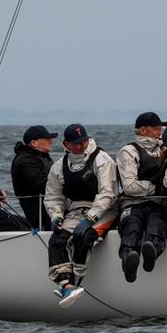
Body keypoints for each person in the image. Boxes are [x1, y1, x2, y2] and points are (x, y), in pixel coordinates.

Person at [43, 124, 118, 307]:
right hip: (76, 210)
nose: (81, 145)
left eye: (84, 140)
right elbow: (53, 197)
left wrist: (90, 219)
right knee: (57, 240)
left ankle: (76, 281)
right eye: (76, 143)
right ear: (66, 144)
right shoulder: (59, 166)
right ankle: (66, 284)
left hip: (104, 210)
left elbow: (108, 194)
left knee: (85, 237)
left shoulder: (102, 159)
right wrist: (56, 216)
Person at [116, 111, 167, 283]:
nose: (160, 131)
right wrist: (156, 188)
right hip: (132, 203)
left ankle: (152, 250)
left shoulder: (166, 150)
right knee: (132, 224)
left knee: (157, 222)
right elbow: (129, 186)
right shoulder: (128, 152)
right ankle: (129, 257)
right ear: (143, 131)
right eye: (156, 128)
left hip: (159, 203)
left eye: (160, 128)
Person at [11, 125, 58, 230]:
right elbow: (40, 185)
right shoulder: (25, 160)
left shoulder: (42, 157)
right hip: (41, 213)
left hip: (52, 207)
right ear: (34, 143)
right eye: (47, 139)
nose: (51, 141)